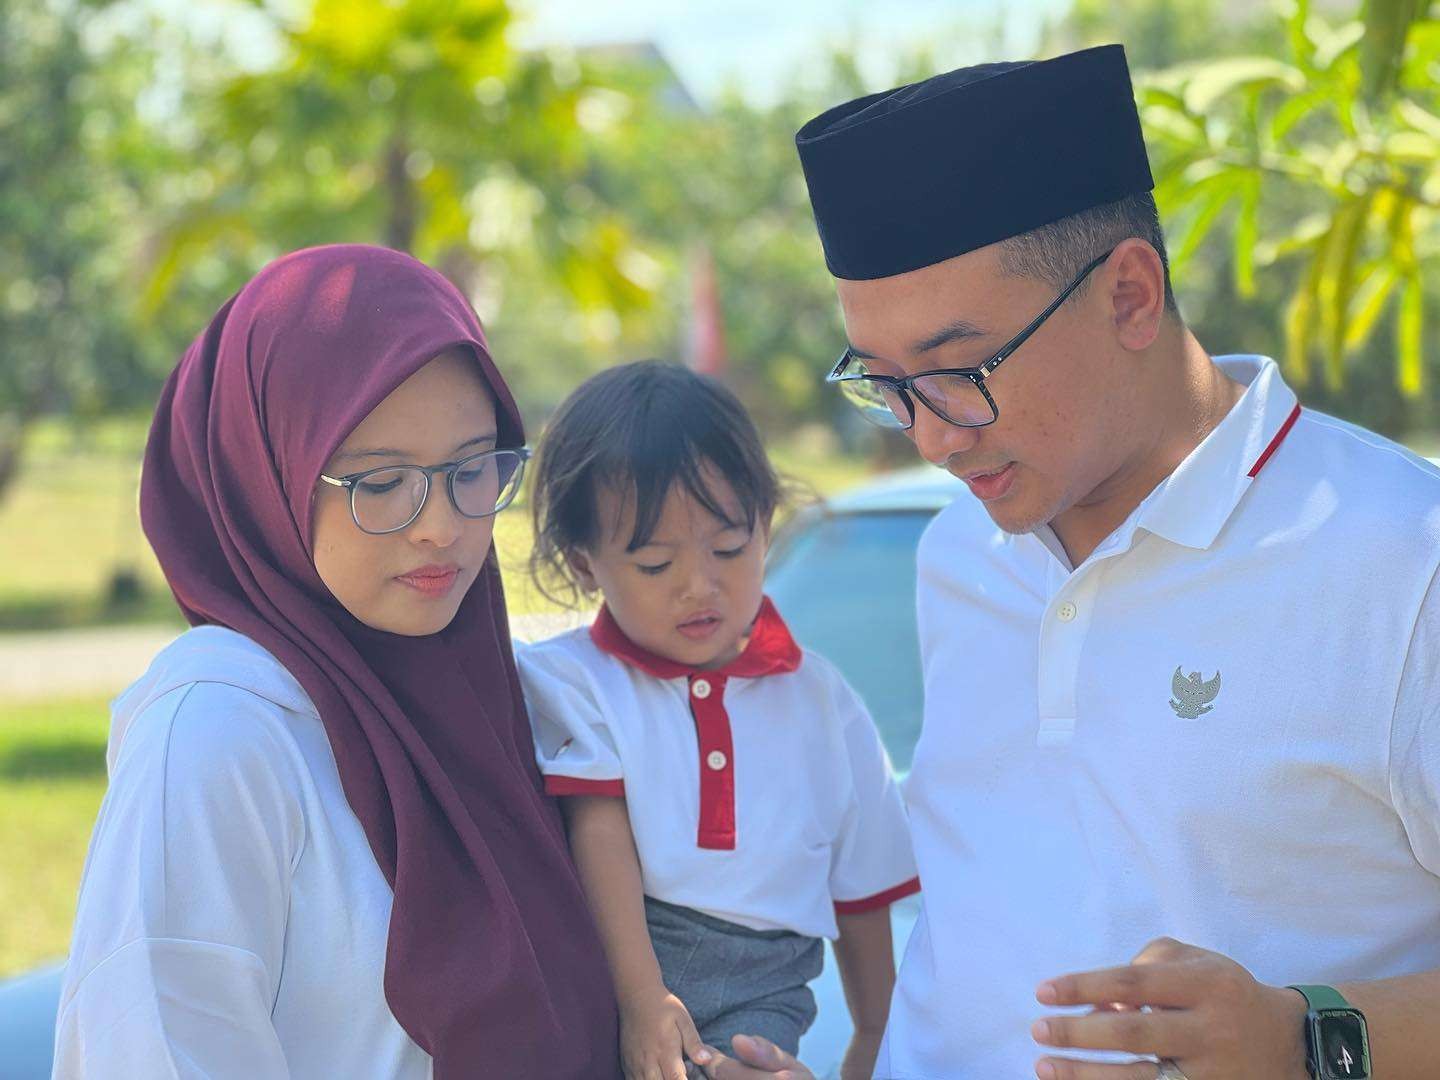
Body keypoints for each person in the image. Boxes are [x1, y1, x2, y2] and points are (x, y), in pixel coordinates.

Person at [767, 43, 1440, 1080]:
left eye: (957, 372)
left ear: (1129, 294)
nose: (932, 438)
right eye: (884, 382)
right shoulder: (961, 552)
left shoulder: (1404, 559)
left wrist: (1307, 1039)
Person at [52, 244, 621, 1078]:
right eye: (381, 482)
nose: (440, 526)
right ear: (266, 479)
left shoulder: (515, 699)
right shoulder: (217, 735)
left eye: (471, 469)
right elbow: (157, 1052)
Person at [517, 361, 919, 1080]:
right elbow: (598, 835)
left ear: (766, 528)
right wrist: (645, 1000)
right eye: (653, 563)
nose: (698, 584)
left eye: (729, 548)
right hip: (622, 961)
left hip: (765, 985)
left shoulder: (822, 702)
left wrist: (874, 1037)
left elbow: (863, 887)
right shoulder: (575, 681)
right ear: (585, 567)